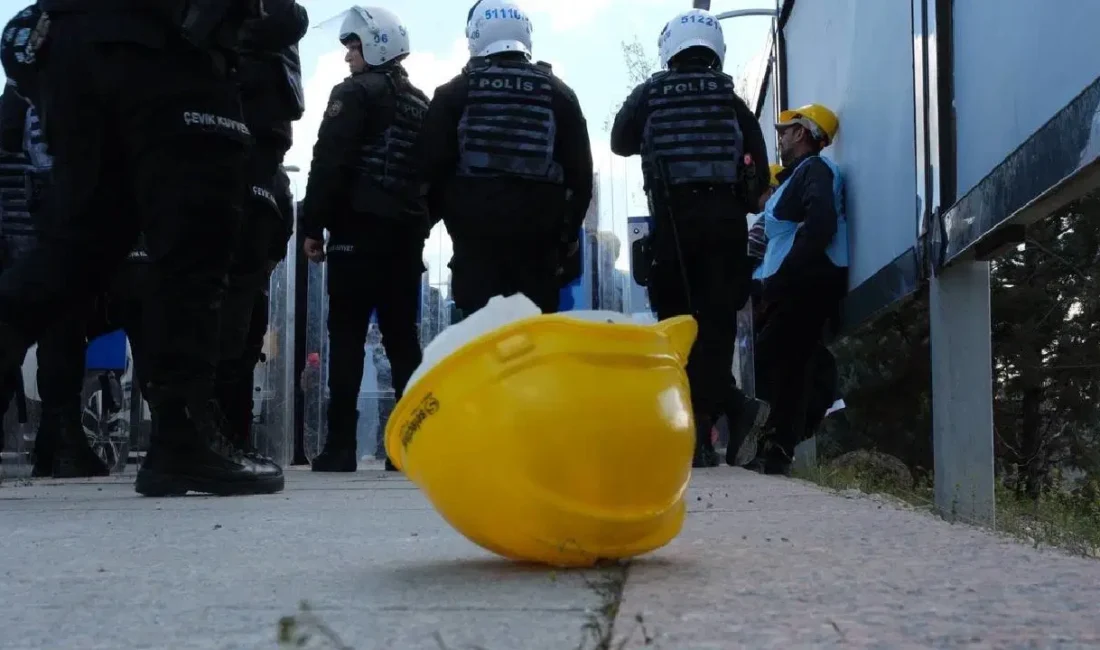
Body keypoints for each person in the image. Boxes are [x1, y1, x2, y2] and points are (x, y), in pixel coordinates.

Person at [0, 2, 284, 496]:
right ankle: (182, 435)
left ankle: (183, 436)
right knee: (198, 240)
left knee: (80, 242)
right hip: (172, 41)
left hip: (73, 36)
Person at [610, 7, 771, 468]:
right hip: (723, 226)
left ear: (669, 50)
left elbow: (620, 141)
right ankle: (721, 416)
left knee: (678, 331)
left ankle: (701, 433)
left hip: (673, 225)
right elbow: (758, 177)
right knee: (716, 330)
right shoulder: (732, 101)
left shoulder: (651, 94)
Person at [300, 6, 429, 473]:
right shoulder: (423, 104)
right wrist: (419, 225)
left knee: (348, 335)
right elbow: (431, 176)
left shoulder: (352, 94)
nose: (348, 56)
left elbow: (328, 161)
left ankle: (340, 447)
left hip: (356, 233)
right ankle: (410, 446)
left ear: (375, 45)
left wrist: (313, 226)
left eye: (353, 46)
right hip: (403, 239)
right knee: (402, 340)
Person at [417, 0, 594, 317]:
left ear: (474, 36)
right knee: (535, 346)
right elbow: (580, 177)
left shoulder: (453, 94)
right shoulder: (559, 93)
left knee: (481, 344)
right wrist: (566, 238)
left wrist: (426, 227)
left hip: (475, 250)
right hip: (539, 254)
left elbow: (429, 171)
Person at [215, 0, 307, 452]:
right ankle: (218, 432)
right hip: (233, 159)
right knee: (230, 328)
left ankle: (226, 432)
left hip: (248, 164)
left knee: (239, 329)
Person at [750, 103, 847, 475]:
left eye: (784, 131)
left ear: (802, 133)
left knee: (775, 364)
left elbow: (820, 224)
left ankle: (778, 446)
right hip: (792, 286)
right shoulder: (800, 175)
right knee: (786, 367)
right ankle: (775, 449)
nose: (781, 138)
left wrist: (787, 275)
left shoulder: (816, 170)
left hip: (803, 284)